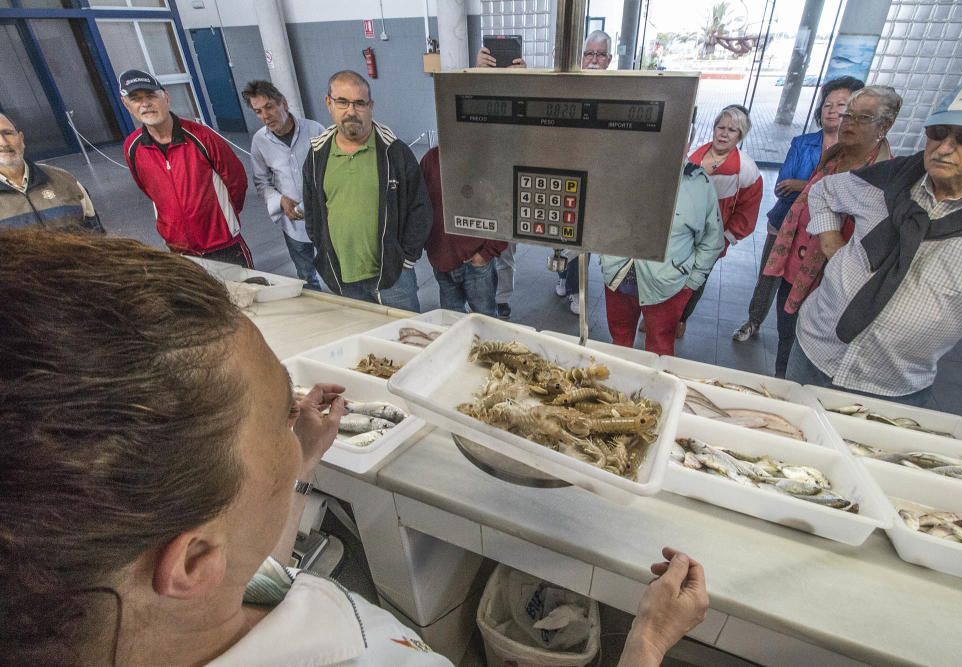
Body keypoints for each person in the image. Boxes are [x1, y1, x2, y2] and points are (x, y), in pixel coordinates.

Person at [0, 230, 708, 666]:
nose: (297, 414)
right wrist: (645, 640)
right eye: (282, 413)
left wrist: (300, 460)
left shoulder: (174, 612)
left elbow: (256, 570)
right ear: (191, 556)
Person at [787, 79, 962, 405]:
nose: (944, 148)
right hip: (813, 351)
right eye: (938, 132)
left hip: (891, 386)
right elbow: (823, 191)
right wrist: (830, 241)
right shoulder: (886, 180)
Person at [762, 85, 899, 377]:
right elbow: (812, 196)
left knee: (814, 344)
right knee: (786, 333)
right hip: (795, 264)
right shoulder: (834, 156)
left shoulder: (886, 176)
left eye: (862, 118)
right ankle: (781, 384)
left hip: (832, 275)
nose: (848, 122)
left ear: (885, 125)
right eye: (848, 115)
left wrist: (832, 245)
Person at [732, 76, 864, 342]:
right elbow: (783, 185)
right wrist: (820, 187)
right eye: (827, 104)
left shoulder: (858, 155)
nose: (832, 110)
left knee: (810, 287)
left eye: (841, 105)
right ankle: (754, 320)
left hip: (826, 235)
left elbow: (846, 194)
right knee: (768, 277)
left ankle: (804, 334)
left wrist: (804, 186)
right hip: (785, 223)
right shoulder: (803, 143)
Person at [302, 70, 431, 312]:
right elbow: (312, 209)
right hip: (342, 276)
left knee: (406, 338)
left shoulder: (394, 152)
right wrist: (322, 247)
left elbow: (420, 208)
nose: (351, 111)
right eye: (342, 102)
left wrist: (406, 259)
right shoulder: (318, 155)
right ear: (328, 103)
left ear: (370, 106)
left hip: (392, 276)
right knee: (361, 339)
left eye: (359, 103)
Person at [600, 125, 724, 356]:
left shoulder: (699, 184)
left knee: (660, 348)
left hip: (668, 284)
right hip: (618, 276)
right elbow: (601, 220)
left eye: (679, 139)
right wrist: (605, 258)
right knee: (619, 342)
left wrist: (691, 283)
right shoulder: (620, 173)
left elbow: (712, 240)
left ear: (689, 144)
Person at [120, 69, 252, 267]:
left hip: (223, 245)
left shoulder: (203, 137)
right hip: (180, 251)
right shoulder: (132, 147)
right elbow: (149, 190)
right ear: (127, 105)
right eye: (136, 99)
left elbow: (236, 180)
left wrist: (222, 220)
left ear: (166, 97)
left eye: (150, 96)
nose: (145, 104)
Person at [676, 104, 763, 337]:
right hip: (681, 234)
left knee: (696, 279)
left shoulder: (746, 170)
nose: (724, 133)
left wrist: (725, 238)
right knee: (672, 272)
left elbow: (748, 212)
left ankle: (680, 319)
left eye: (732, 130)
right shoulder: (692, 156)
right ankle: (659, 314)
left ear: (741, 135)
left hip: (712, 239)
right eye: (721, 127)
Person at [555, 30, 615, 316]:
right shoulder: (570, 87)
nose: (593, 60)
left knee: (583, 241)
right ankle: (563, 279)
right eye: (589, 54)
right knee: (558, 236)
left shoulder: (617, 90)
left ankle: (576, 290)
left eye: (599, 54)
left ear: (609, 59)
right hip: (564, 175)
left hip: (596, 181)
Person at [244, 80, 326, 290]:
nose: (265, 116)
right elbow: (261, 182)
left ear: (284, 104)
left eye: (269, 107)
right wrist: (280, 200)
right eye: (258, 111)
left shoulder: (315, 130)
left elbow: (333, 170)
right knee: (306, 275)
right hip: (293, 225)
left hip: (326, 218)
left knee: (339, 269)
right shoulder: (259, 142)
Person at [420, 145, 507, 315]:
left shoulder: (486, 160)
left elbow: (504, 209)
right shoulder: (431, 158)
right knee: (450, 319)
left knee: (485, 319)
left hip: (476, 260)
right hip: (442, 258)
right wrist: (429, 246)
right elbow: (418, 202)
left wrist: (485, 253)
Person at [475, 40, 526, 319]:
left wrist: (526, 79)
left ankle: (502, 297)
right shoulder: (481, 97)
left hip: (510, 184)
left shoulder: (521, 96)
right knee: (478, 244)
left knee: (506, 249)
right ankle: (481, 294)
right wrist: (478, 71)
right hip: (482, 181)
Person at [0, 113, 103, 233]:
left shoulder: (65, 179)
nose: (3, 142)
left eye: (8, 133)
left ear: (21, 139)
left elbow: (96, 231)